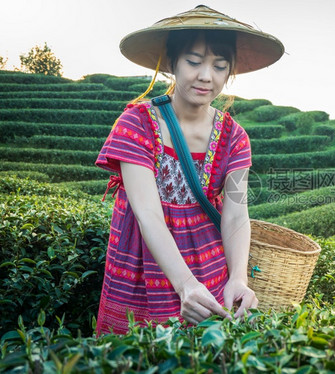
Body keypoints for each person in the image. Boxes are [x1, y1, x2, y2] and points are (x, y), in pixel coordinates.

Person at [95, 5, 284, 335]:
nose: (206, 76)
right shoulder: (136, 124)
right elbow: (147, 214)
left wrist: (238, 278)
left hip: (209, 266)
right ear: (172, 63)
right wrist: (184, 285)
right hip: (142, 264)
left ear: (229, 72)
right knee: (133, 353)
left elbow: (237, 214)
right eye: (194, 62)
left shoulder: (235, 138)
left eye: (220, 66)